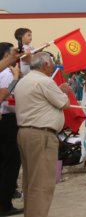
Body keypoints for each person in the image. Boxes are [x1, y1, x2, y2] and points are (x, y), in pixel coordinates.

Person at [13, 52, 70, 217]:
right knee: (42, 183)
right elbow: (64, 104)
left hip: (25, 132)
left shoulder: (24, 82)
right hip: (41, 134)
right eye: (51, 63)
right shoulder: (45, 81)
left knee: (30, 182)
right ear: (45, 65)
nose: (52, 66)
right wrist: (63, 92)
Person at [0, 43, 22, 216]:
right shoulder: (7, 75)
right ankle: (5, 203)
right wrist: (16, 79)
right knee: (10, 164)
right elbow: (9, 96)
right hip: (7, 121)